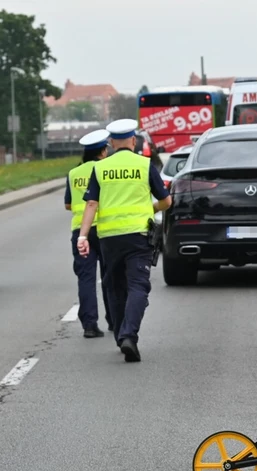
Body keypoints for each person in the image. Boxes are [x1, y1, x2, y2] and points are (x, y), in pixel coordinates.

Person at [76, 119, 172, 363]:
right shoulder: (144, 165)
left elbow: (91, 203)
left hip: (109, 239)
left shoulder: (100, 168)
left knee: (115, 287)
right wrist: (150, 208)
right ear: (133, 141)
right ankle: (130, 335)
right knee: (138, 286)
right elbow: (166, 201)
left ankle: (121, 334)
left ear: (110, 143)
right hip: (139, 236)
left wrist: (83, 235)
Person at [65, 129, 114, 339]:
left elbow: (68, 204)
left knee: (86, 278)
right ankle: (113, 319)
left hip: (80, 231)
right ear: (103, 151)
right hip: (104, 229)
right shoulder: (105, 169)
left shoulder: (73, 173)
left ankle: (90, 326)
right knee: (109, 276)